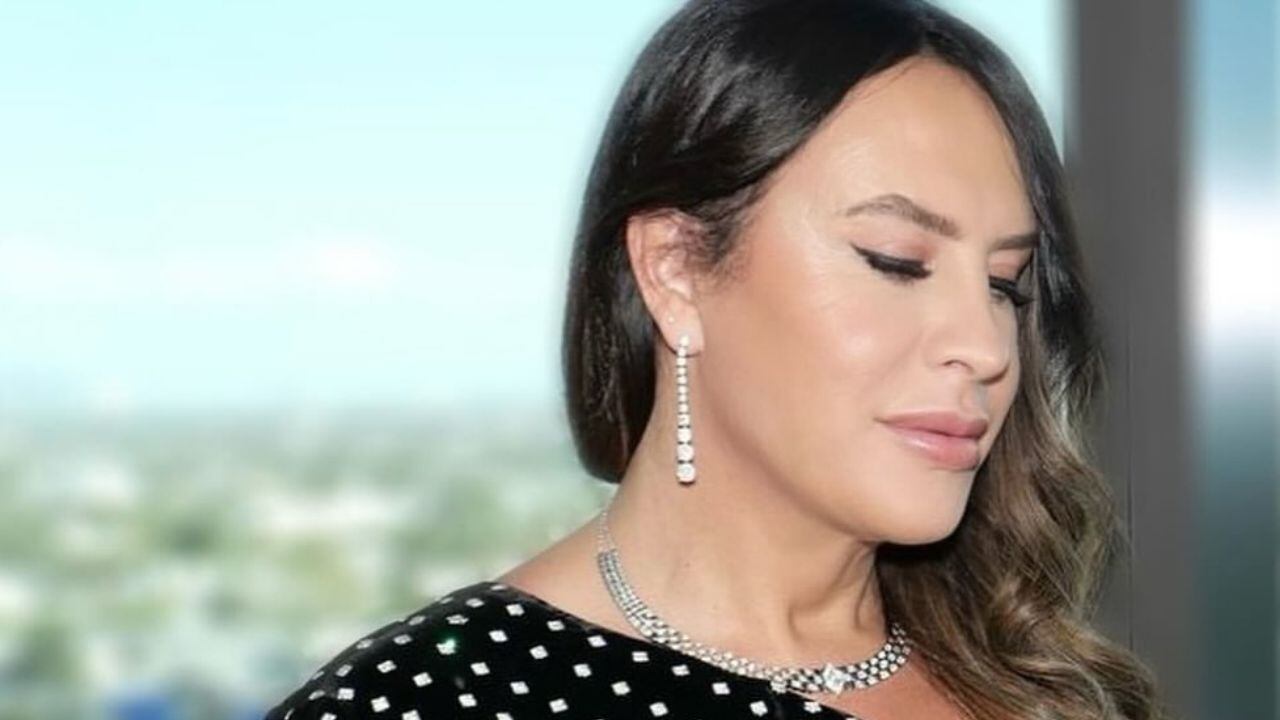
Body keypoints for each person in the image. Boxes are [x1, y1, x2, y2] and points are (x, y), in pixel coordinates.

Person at [263, 0, 1167, 718]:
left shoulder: (1039, 680)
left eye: (1006, 285)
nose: (984, 345)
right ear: (675, 270)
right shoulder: (429, 701)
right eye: (896, 261)